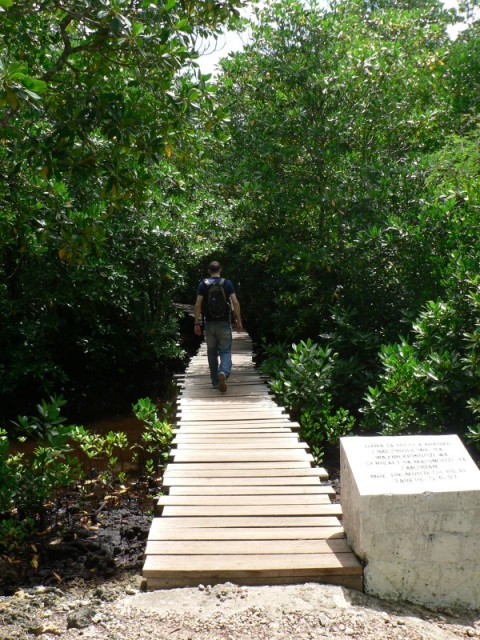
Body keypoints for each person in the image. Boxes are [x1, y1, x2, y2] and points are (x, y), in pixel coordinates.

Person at [193, 261, 243, 392]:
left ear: (209, 270)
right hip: (224, 323)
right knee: (225, 351)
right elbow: (235, 302)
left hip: (209, 324)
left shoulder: (203, 284)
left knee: (211, 352)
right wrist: (239, 321)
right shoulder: (227, 283)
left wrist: (196, 323)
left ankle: (215, 382)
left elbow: (198, 305)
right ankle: (223, 373)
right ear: (221, 269)